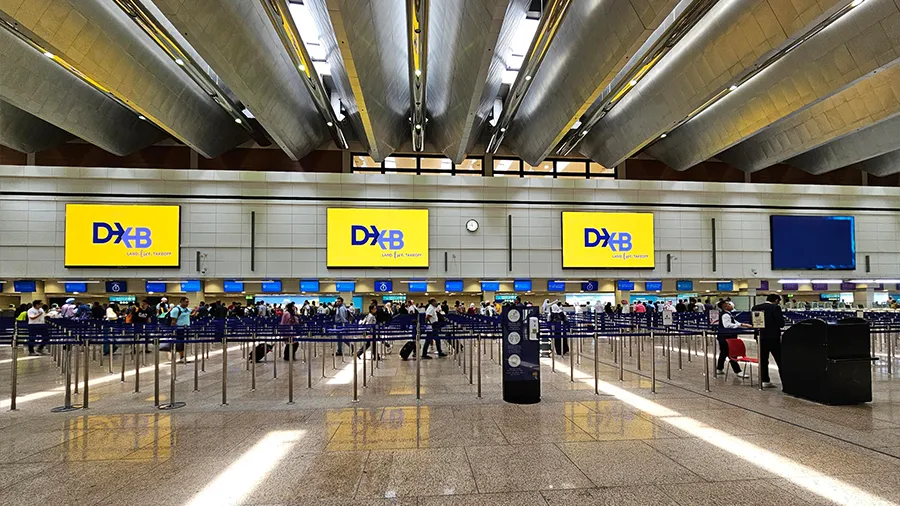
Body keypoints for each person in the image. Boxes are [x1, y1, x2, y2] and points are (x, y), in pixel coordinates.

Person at [752, 294, 786, 388]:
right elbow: (781, 323)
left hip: (760, 337)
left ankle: (765, 380)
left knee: (763, 360)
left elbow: (753, 322)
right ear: (776, 300)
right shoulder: (775, 308)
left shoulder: (755, 307)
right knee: (780, 360)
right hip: (773, 337)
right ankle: (785, 382)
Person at [717, 300, 751, 378]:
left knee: (724, 353)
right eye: (729, 304)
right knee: (732, 354)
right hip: (727, 337)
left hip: (723, 336)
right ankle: (738, 371)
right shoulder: (725, 315)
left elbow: (734, 322)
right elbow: (727, 325)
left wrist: (743, 324)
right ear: (725, 306)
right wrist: (739, 326)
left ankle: (719, 368)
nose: (731, 305)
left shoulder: (728, 314)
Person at [168, 297, 194, 363]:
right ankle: (181, 357)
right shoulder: (176, 310)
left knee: (184, 343)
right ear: (181, 301)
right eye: (186, 302)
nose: (187, 303)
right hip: (179, 329)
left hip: (186, 329)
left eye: (188, 302)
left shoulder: (187, 309)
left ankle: (182, 356)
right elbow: (173, 321)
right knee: (180, 343)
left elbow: (191, 312)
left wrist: (196, 310)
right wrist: (173, 330)